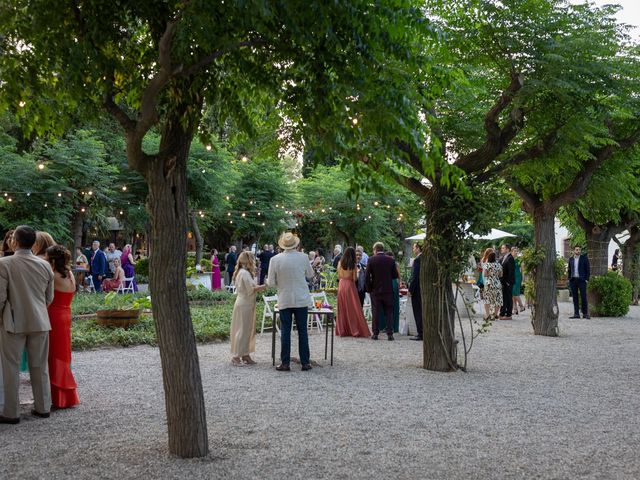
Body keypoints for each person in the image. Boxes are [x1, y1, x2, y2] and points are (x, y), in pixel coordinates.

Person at [0, 225, 54, 423]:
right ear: (33, 242)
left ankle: (11, 413)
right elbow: (49, 298)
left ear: (14, 241)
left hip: (13, 322)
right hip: (40, 320)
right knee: (40, 367)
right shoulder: (45, 265)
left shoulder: (4, 264)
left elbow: (0, 298)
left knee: (11, 367)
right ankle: (43, 407)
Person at [267, 232, 314, 371]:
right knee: (302, 331)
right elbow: (310, 275)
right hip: (301, 298)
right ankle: (305, 362)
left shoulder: (275, 260)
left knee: (285, 331)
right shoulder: (304, 257)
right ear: (296, 244)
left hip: (285, 298)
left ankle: (285, 362)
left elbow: (271, 282)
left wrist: (279, 284)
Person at [44, 245, 80, 409]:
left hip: (54, 316)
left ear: (51, 259)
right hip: (66, 314)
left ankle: (59, 398)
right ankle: (66, 396)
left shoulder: (53, 275)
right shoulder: (70, 273)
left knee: (54, 355)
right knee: (63, 355)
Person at [230, 252, 266, 366]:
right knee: (242, 329)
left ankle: (245, 354)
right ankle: (236, 356)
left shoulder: (241, 272)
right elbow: (252, 289)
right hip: (244, 303)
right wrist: (267, 285)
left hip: (243, 302)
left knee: (246, 329)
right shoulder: (244, 273)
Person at [365, 242, 398, 341]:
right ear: (382, 249)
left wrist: (369, 288)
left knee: (375, 312)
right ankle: (390, 334)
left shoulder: (371, 259)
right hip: (388, 289)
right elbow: (395, 275)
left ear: (375, 250)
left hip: (376, 290)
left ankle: (375, 334)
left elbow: (367, 277)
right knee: (389, 312)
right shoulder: (390, 260)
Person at [336, 247, 370, 337]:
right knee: (353, 308)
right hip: (350, 286)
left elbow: (338, 276)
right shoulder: (353, 265)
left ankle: (342, 330)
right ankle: (353, 329)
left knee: (342, 308)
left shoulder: (340, 263)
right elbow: (354, 279)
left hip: (341, 285)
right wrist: (358, 273)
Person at [378, 251, 401, 334]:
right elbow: (399, 276)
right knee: (393, 306)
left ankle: (384, 326)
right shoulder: (395, 264)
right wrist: (399, 283)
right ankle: (393, 326)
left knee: (386, 306)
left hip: (388, 283)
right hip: (393, 283)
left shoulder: (386, 263)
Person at [568, 245, 590, 319]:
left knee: (583, 297)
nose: (578, 251)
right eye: (577, 250)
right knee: (575, 298)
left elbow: (588, 269)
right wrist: (569, 279)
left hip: (582, 280)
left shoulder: (584, 258)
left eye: (579, 250)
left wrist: (586, 279)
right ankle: (576, 314)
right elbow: (569, 270)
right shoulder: (571, 259)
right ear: (574, 251)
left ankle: (585, 314)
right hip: (573, 280)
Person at [481, 250, 503, 321]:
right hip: (497, 283)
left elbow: (484, 274)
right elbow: (501, 275)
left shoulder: (487, 265)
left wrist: (490, 274)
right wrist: (495, 274)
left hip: (489, 283)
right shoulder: (499, 265)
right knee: (497, 299)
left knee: (487, 299)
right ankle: (495, 315)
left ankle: (487, 315)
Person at [408, 242, 423, 341]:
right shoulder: (424, 258)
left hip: (417, 290)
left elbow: (414, 277)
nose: (413, 250)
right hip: (422, 289)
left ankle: (420, 333)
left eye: (414, 248)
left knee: (417, 311)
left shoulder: (417, 260)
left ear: (418, 248)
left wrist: (410, 290)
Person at [499, 244, 516, 320]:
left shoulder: (510, 258)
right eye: (501, 248)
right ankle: (502, 313)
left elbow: (511, 271)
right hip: (503, 281)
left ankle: (509, 314)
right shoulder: (502, 258)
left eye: (503, 248)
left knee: (508, 297)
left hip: (508, 282)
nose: (501, 249)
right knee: (504, 298)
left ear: (507, 249)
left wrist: (508, 282)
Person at [511, 247, 525, 315]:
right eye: (515, 251)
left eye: (517, 251)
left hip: (518, 277)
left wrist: (523, 279)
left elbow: (522, 270)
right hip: (512, 277)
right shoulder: (510, 259)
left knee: (515, 292)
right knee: (512, 294)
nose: (516, 252)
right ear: (511, 252)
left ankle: (521, 306)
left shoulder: (519, 259)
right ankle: (515, 309)